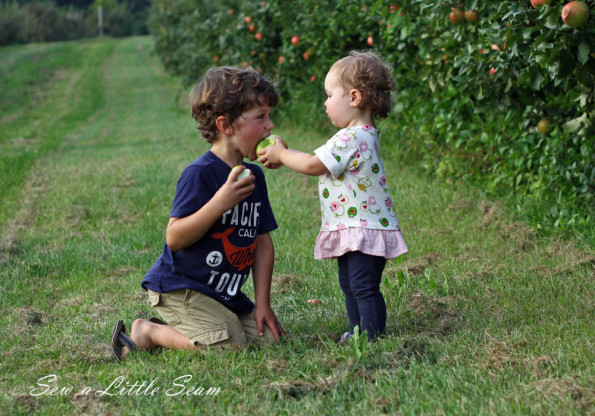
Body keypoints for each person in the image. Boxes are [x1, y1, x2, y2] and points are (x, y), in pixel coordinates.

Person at [111, 66, 285, 360]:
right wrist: (219, 203)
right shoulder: (200, 174)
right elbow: (175, 237)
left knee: (270, 339)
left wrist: (263, 304)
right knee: (230, 348)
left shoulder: (253, 176)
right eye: (261, 117)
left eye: (269, 116)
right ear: (226, 125)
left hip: (220, 293)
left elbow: (263, 243)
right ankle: (148, 331)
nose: (270, 126)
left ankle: (212, 325)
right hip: (181, 288)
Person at [258, 51, 408, 341]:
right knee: (351, 284)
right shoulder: (361, 134)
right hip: (356, 227)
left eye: (329, 95)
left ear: (354, 97)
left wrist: (282, 154)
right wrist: (284, 154)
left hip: (363, 228)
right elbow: (318, 159)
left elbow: (314, 165)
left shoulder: (351, 138)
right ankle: (356, 331)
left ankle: (371, 336)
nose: (325, 103)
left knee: (363, 286)